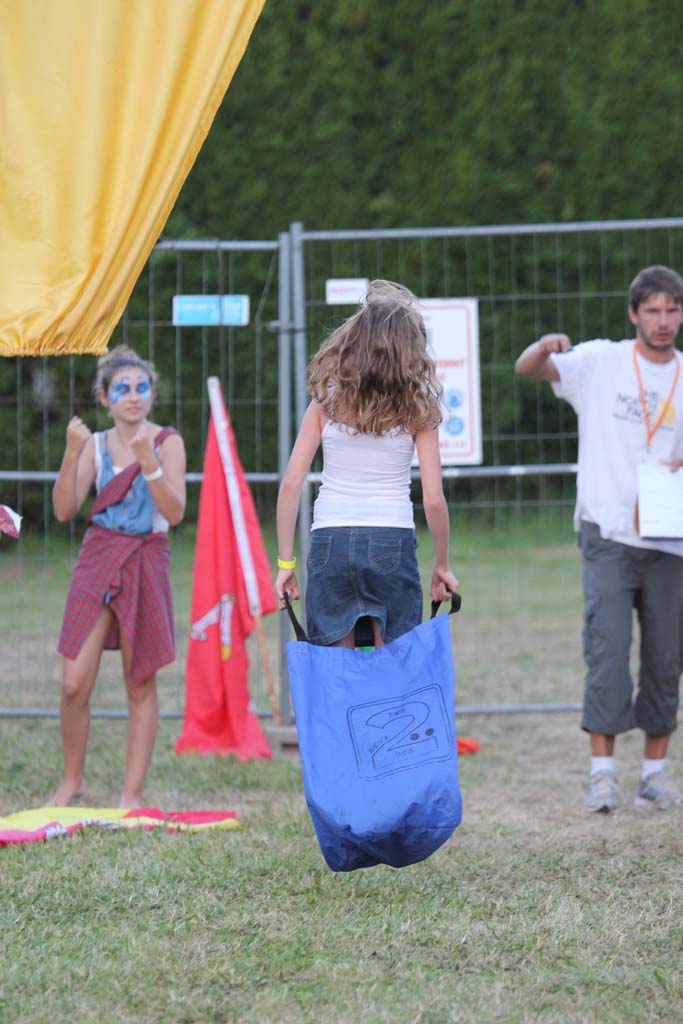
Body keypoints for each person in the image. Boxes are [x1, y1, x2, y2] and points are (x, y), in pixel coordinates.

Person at [514, 264, 683, 812]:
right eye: (652, 310)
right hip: (608, 531)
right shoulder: (601, 361)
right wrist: (544, 346)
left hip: (669, 538)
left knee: (666, 657)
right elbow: (527, 369)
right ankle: (602, 774)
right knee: (608, 650)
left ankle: (654, 775)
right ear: (633, 314)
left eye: (672, 310)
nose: (663, 320)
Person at [274, 279, 458, 651]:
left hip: (329, 539)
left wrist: (285, 564)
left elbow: (291, 484)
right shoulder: (420, 408)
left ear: (353, 342)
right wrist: (442, 565)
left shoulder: (325, 402)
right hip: (392, 538)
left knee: (334, 668)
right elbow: (434, 500)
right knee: (394, 666)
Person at [51, 345, 186, 807]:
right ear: (105, 398)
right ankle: (72, 782)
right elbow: (65, 510)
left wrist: (149, 462)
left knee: (139, 680)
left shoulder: (167, 442)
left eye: (141, 388)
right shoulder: (94, 445)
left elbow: (176, 512)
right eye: (122, 389)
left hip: (148, 556)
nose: (133, 396)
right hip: (99, 556)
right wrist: (72, 453)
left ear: (152, 394)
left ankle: (131, 794)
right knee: (73, 682)